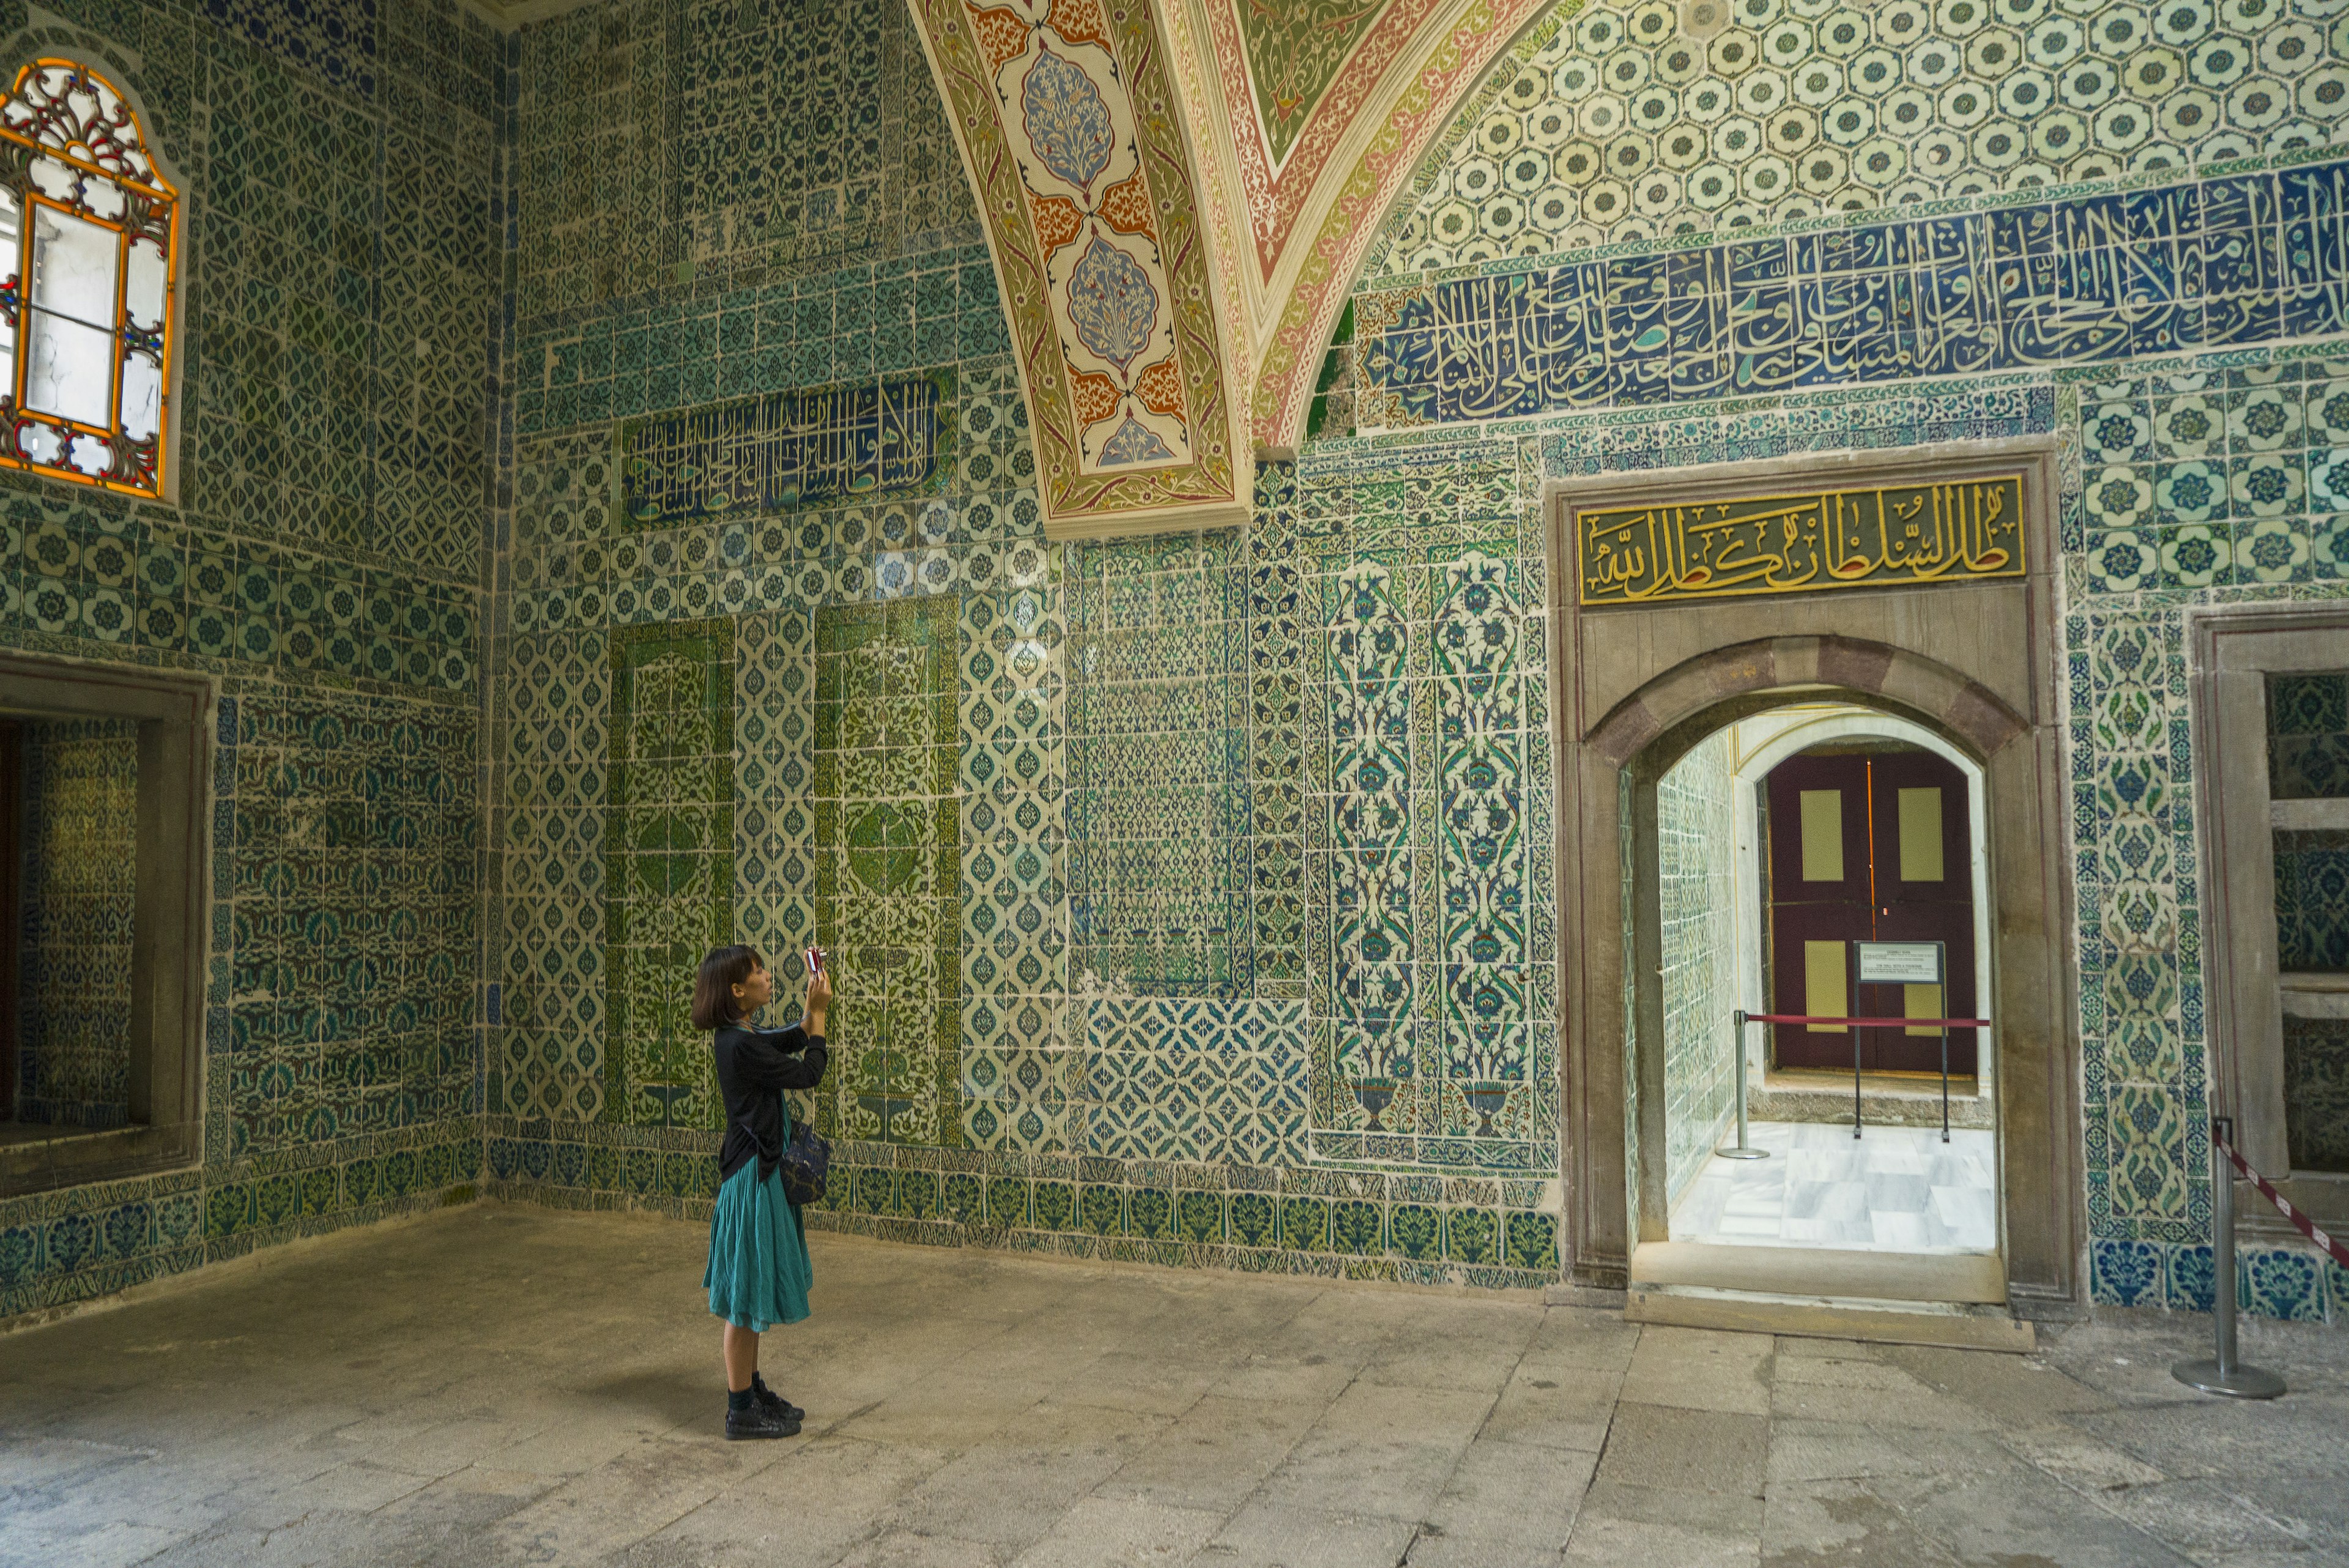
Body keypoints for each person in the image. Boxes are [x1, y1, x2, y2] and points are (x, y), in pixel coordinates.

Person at [692, 943, 832, 1440]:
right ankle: (739, 1409)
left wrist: (807, 1020)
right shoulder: (740, 1044)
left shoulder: (740, 1034)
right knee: (743, 1299)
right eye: (758, 973)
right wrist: (817, 1017)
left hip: (756, 1173)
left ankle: (750, 1390)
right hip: (751, 1178)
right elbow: (809, 1072)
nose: (768, 976)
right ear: (737, 990)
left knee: (750, 1293)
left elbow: (784, 1041)